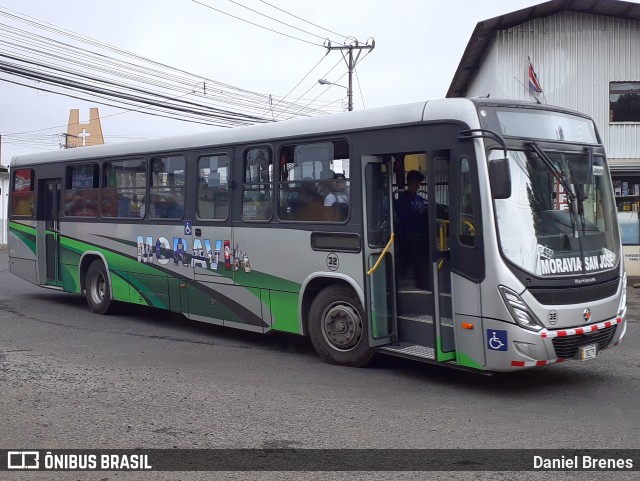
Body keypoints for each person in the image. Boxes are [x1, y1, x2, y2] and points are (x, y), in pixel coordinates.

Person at [395, 170, 430, 288]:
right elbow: (403, 217)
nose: (418, 186)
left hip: (420, 233)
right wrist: (418, 212)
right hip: (408, 235)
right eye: (415, 182)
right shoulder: (403, 199)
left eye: (419, 183)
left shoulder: (419, 198)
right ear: (409, 182)